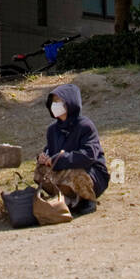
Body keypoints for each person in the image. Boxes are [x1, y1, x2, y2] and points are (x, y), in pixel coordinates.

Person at [36, 82, 109, 217]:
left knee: (75, 173)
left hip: (91, 172)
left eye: (59, 101)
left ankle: (87, 200)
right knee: (40, 171)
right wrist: (44, 157)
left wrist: (59, 159)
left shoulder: (85, 126)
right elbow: (49, 151)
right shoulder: (52, 130)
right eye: (53, 102)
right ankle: (66, 198)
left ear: (70, 103)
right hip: (63, 170)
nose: (55, 105)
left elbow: (88, 156)